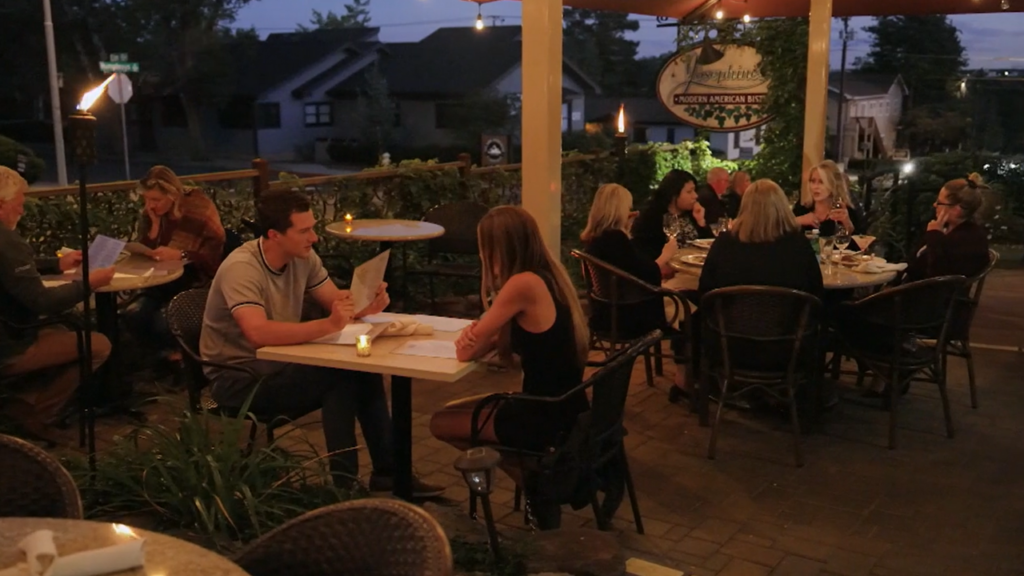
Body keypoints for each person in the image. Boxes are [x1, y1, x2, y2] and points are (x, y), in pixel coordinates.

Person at [199, 188, 443, 497]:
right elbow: (257, 333)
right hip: (238, 378)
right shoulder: (242, 268)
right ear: (274, 235)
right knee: (339, 377)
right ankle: (346, 486)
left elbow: (335, 301)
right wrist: (329, 325)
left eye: (312, 227)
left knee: (362, 371)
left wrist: (365, 304)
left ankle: (387, 473)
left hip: (278, 363)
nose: (314, 237)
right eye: (304, 230)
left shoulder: (302, 257)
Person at [430, 206, 590, 465]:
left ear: (496, 249)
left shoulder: (521, 284)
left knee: (440, 422)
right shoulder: (549, 276)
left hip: (543, 415)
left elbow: (465, 352)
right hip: (567, 405)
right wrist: (483, 335)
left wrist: (475, 335)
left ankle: (536, 487)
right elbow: (494, 339)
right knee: (454, 410)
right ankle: (535, 482)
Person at [0, 166, 116, 439]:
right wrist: (90, 284)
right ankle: (40, 415)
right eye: (19, 203)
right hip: (9, 346)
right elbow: (44, 302)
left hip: (9, 333)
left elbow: (11, 270)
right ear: (2, 203)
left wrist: (55, 264)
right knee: (98, 345)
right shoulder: (7, 242)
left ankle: (22, 402)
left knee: (63, 333)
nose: (22, 210)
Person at [580, 184, 688, 387]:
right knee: (689, 302)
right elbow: (647, 274)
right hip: (630, 316)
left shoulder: (597, 238)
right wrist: (667, 254)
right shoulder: (615, 239)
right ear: (618, 210)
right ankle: (686, 376)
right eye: (627, 206)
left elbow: (631, 267)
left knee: (681, 294)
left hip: (604, 311)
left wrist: (626, 230)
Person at [123, 166, 226, 360]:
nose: (150, 206)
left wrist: (182, 254)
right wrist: (154, 226)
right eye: (146, 199)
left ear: (172, 195)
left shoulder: (196, 208)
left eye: (156, 200)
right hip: (159, 282)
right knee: (134, 315)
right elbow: (148, 253)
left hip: (194, 280)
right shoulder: (151, 214)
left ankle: (179, 361)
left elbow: (213, 257)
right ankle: (162, 359)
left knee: (163, 322)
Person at [700, 179, 824, 298]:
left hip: (730, 319)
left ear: (745, 207)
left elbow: (705, 290)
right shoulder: (799, 245)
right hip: (789, 319)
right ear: (782, 208)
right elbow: (816, 292)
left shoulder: (724, 243)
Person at [903, 173, 990, 283]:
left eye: (939, 202)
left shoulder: (971, 239)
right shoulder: (944, 229)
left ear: (956, 209)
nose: (935, 205)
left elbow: (938, 275)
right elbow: (914, 263)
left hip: (928, 297)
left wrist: (934, 235)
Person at [632, 169, 712, 261]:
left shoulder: (692, 214)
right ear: (674, 194)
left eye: (694, 191)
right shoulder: (652, 217)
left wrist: (701, 221)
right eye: (689, 192)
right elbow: (644, 251)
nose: (695, 196)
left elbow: (708, 246)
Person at [793, 160, 866, 237]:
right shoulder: (802, 210)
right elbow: (782, 236)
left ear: (833, 185)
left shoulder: (844, 213)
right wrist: (798, 221)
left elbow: (859, 245)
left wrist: (847, 224)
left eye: (821, 182)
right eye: (813, 181)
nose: (815, 187)